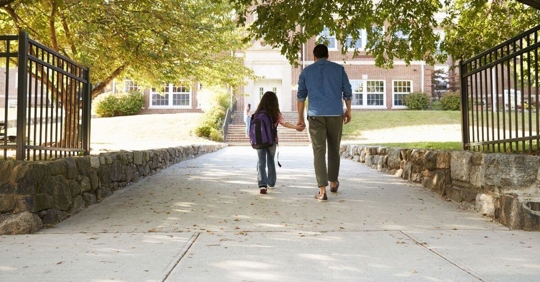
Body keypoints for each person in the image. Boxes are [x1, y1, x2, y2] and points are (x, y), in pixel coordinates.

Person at [296, 44, 352, 202]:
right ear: (328, 55)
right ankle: (333, 182)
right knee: (334, 148)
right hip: (335, 114)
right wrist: (348, 110)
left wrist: (300, 118)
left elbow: (300, 97)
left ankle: (322, 191)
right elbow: (347, 92)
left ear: (314, 57)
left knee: (319, 152)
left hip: (316, 116)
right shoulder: (338, 70)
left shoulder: (306, 72)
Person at [254, 91, 304, 194]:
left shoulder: (258, 113)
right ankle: (271, 183)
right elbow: (284, 123)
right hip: (272, 140)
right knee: (271, 161)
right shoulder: (275, 113)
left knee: (261, 161)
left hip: (260, 141)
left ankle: (262, 185)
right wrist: (296, 127)